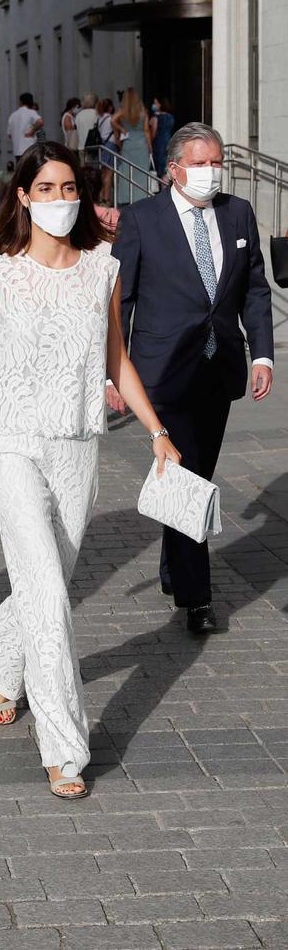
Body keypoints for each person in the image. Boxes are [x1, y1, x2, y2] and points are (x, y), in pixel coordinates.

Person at [0, 141, 181, 799]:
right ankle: (64, 746)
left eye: (71, 189)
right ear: (23, 197)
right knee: (49, 592)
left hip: (78, 445)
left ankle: (3, 663)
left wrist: (158, 431)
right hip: (9, 443)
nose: (61, 200)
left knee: (48, 576)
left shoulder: (103, 269)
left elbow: (118, 361)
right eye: (48, 189)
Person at [109, 122, 274, 634]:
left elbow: (255, 290)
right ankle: (196, 598)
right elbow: (121, 301)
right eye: (200, 163)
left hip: (219, 368)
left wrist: (262, 356)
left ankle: (172, 567)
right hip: (162, 373)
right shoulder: (141, 220)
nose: (210, 172)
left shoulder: (237, 213)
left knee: (194, 473)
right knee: (188, 478)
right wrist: (111, 373)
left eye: (216, 162)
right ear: (174, 168)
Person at [111, 87, 152, 204]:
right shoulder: (143, 111)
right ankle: (142, 197)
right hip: (141, 144)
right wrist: (150, 148)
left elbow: (112, 120)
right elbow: (146, 130)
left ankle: (126, 198)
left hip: (128, 143)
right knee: (142, 172)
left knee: (127, 172)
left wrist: (122, 129)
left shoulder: (123, 111)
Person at [7, 92, 44, 163]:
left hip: (17, 150)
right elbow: (40, 121)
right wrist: (32, 130)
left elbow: (9, 135)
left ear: (20, 102)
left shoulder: (13, 115)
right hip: (29, 148)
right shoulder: (31, 112)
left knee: (21, 170)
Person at [95, 98, 118, 205]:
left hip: (103, 145)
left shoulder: (99, 118)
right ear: (110, 107)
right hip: (111, 145)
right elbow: (116, 133)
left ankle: (101, 195)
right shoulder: (111, 119)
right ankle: (107, 198)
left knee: (104, 173)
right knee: (109, 173)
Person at [150, 97, 176, 178]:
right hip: (168, 143)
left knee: (159, 169)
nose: (154, 105)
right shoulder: (170, 117)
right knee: (166, 168)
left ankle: (161, 186)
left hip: (158, 144)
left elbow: (153, 133)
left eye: (155, 103)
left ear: (160, 104)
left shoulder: (156, 117)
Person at [75, 93, 99, 163]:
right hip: (93, 146)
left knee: (83, 168)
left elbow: (76, 127)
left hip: (81, 146)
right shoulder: (97, 113)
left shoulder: (79, 115)